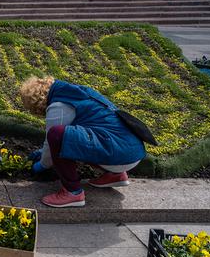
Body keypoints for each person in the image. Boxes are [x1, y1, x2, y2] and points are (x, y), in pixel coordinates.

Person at [19, 76, 146, 208]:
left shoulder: (58, 106)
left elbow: (52, 144)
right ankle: (116, 175)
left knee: (57, 135)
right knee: (85, 135)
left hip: (118, 156)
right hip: (133, 152)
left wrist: (41, 165)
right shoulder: (76, 93)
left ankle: (72, 192)